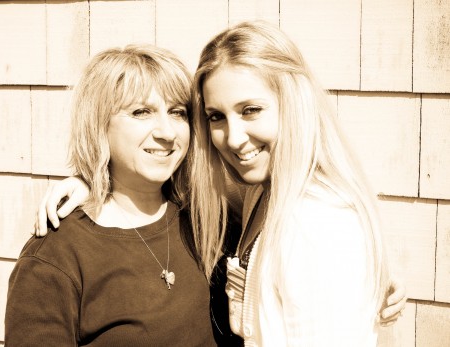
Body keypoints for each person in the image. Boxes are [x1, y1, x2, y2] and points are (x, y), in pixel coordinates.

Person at [34, 22, 407, 345]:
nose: (234, 138)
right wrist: (93, 182)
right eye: (215, 116)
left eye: (251, 110)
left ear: (294, 102)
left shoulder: (307, 220)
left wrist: (356, 277)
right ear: (98, 127)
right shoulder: (244, 202)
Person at [5, 45, 218, 346]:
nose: (168, 133)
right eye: (141, 112)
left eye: (177, 112)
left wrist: (90, 181)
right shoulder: (57, 255)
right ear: (98, 125)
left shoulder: (200, 216)